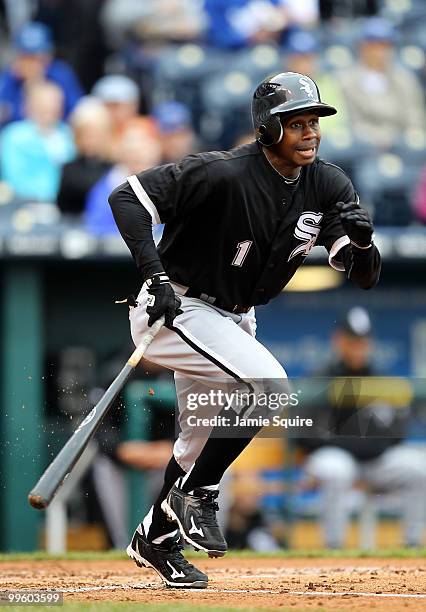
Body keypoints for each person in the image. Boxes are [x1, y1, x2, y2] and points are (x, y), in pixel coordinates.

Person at [108, 71, 381, 588]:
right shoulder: (222, 172)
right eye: (295, 123)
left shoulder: (327, 183)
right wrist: (155, 275)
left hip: (235, 315)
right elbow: (128, 198)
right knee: (270, 386)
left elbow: (362, 275)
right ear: (265, 128)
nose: (309, 133)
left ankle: (157, 538)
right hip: (175, 306)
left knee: (195, 441)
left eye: (314, 122)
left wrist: (364, 246)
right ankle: (199, 496)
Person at [296, 307, 426, 549]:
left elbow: (397, 433)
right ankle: (333, 548)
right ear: (339, 340)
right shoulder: (318, 378)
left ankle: (413, 547)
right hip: (335, 458)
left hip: (375, 461)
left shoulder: (382, 379)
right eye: (352, 340)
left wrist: (365, 446)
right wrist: (350, 445)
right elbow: (304, 434)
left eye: (362, 340)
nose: (358, 346)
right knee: (336, 470)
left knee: (418, 468)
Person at [339, 18, 425, 149]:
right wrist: (379, 138)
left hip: (402, 143)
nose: (379, 52)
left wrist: (405, 138)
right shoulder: (347, 80)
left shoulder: (404, 78)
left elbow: (415, 118)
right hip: (364, 145)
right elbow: (352, 121)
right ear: (362, 47)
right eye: (373, 45)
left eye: (384, 45)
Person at [0, 80, 75, 202]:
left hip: (65, 205)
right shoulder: (14, 136)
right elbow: (13, 177)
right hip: (24, 204)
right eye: (46, 102)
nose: (53, 106)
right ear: (30, 105)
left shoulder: (68, 134)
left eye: (57, 102)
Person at [0, 21, 83, 127]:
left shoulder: (61, 75)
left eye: (36, 57)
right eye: (26, 57)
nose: (31, 64)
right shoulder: (8, 79)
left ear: (47, 56)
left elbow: (77, 112)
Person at [57, 97, 112, 216]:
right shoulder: (69, 169)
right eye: (86, 135)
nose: (90, 141)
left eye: (96, 135)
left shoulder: (114, 169)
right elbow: (63, 206)